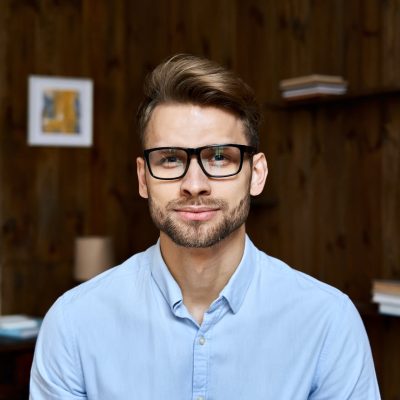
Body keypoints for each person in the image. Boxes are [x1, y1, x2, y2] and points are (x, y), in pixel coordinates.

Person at [30, 54, 380, 400]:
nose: (194, 184)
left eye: (219, 157)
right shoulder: (73, 323)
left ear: (256, 174)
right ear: (142, 178)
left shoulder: (329, 323)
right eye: (170, 159)